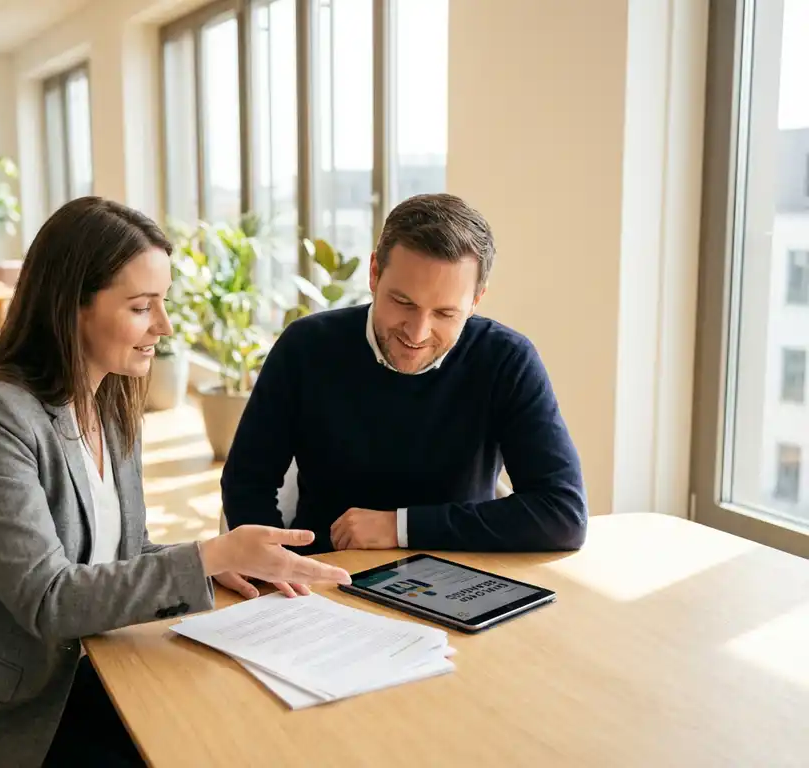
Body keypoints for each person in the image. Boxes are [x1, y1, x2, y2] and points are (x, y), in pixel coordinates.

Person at [0, 197, 351, 768]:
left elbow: (118, 555)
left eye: (163, 303)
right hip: (3, 712)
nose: (165, 326)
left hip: (93, 669)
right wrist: (202, 556)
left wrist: (208, 561)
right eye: (140, 306)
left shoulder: (109, 401)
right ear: (70, 306)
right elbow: (49, 600)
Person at [220, 192, 587, 572]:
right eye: (403, 302)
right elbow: (247, 482)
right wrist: (275, 565)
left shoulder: (507, 360)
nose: (417, 332)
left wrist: (399, 527)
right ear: (374, 272)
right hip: (324, 577)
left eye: (445, 312)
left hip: (458, 577)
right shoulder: (306, 347)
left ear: (477, 300)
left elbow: (563, 514)